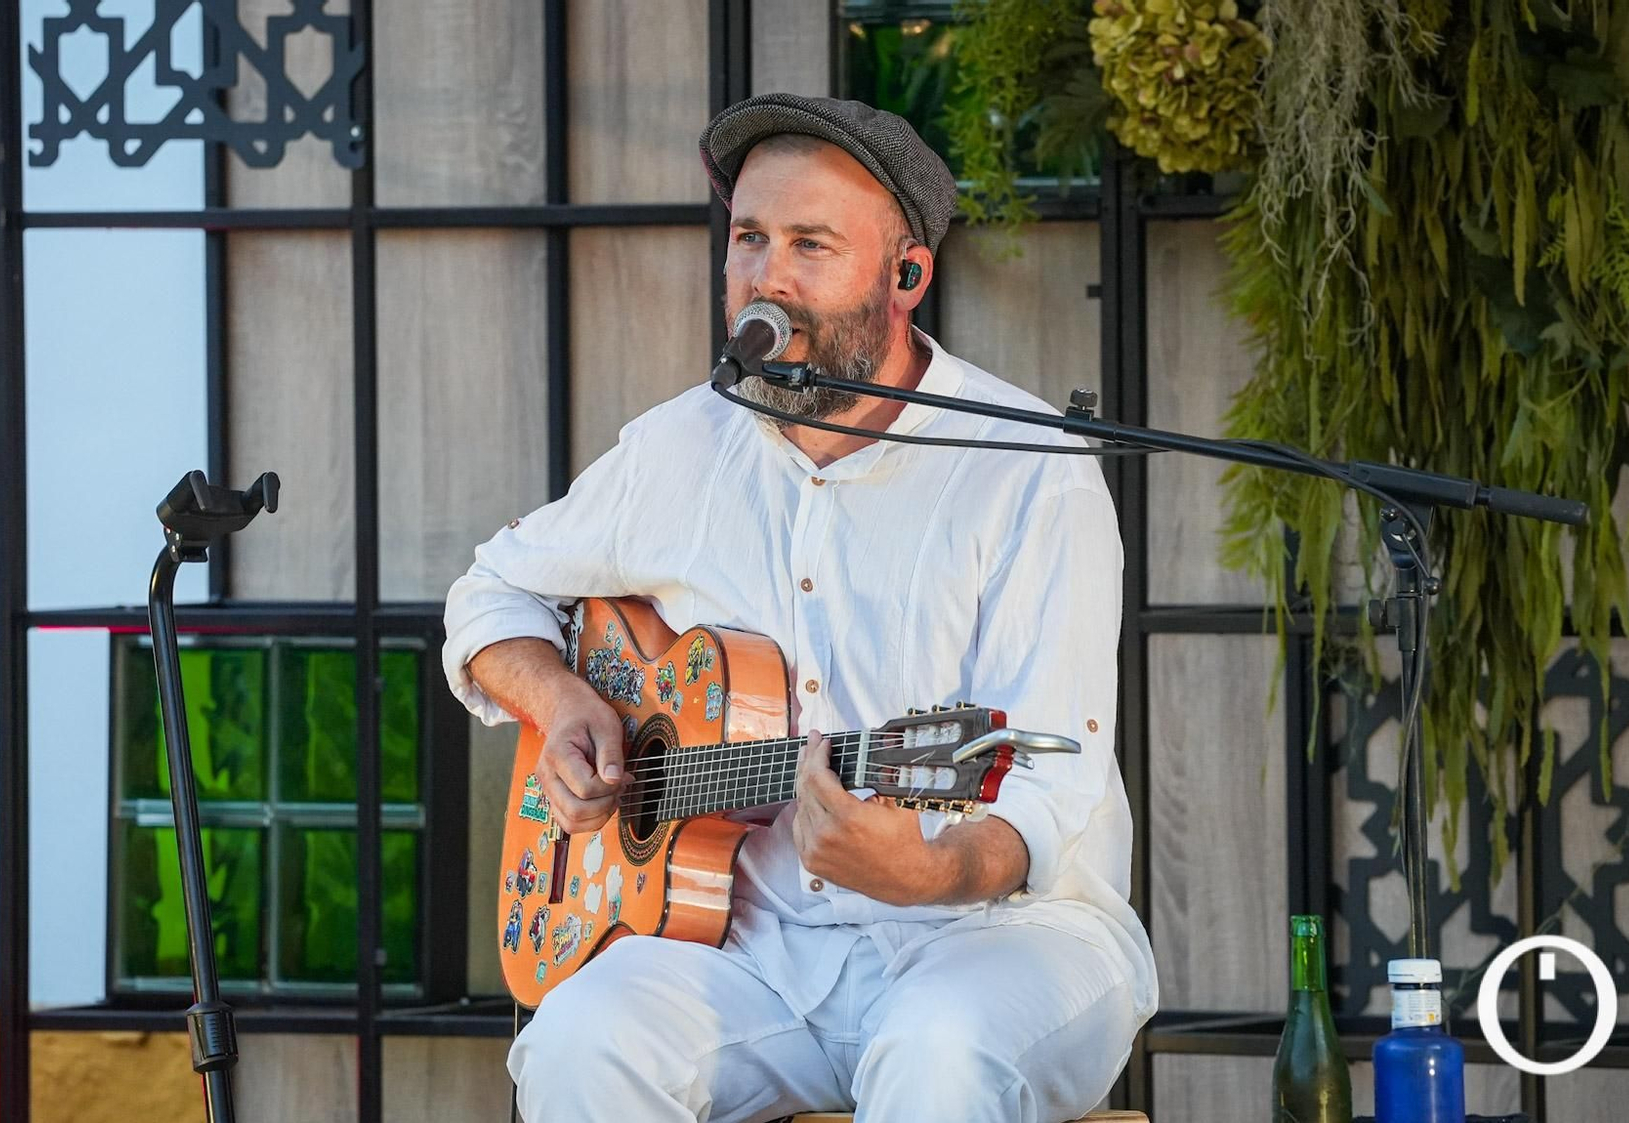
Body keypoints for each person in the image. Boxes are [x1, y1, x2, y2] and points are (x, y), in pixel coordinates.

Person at [443, 93, 1158, 1123]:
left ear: (905, 275)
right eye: (747, 239)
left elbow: (1042, 789)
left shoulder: (1028, 469)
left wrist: (921, 869)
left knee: (938, 1054)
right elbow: (489, 591)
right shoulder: (678, 447)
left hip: (1003, 937)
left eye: (809, 245)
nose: (763, 280)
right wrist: (558, 701)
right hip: (750, 952)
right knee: (578, 1041)